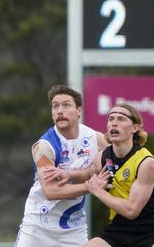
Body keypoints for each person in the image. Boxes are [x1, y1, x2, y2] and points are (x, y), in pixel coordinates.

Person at [15, 84, 107, 247]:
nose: (59, 111)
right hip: (38, 227)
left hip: (73, 228)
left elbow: (119, 160)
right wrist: (92, 187)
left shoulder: (94, 139)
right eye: (55, 106)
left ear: (79, 110)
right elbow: (51, 191)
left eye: (66, 105)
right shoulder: (44, 146)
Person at [82, 103, 154, 247]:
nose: (114, 123)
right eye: (111, 119)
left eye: (121, 119)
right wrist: (65, 174)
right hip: (117, 230)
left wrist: (99, 192)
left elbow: (131, 210)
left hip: (149, 233)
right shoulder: (101, 158)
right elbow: (87, 173)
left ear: (135, 128)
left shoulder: (147, 163)